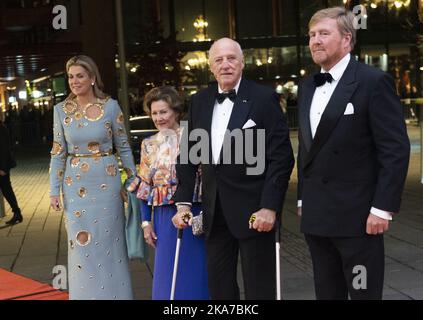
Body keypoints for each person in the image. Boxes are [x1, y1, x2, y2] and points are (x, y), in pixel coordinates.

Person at [297, 7, 410, 300]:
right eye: (311, 35)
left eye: (324, 33)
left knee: (362, 294)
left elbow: (394, 150)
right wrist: (302, 197)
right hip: (317, 218)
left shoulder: (373, 82)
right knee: (327, 293)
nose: (315, 41)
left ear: (347, 39)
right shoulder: (307, 86)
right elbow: (307, 147)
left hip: (359, 219)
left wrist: (382, 208)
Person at [173, 38, 295, 300]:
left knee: (259, 286)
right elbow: (188, 156)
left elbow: (281, 158)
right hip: (214, 212)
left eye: (231, 58)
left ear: (242, 63)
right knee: (219, 287)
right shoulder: (201, 101)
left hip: (255, 211)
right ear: (210, 66)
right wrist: (183, 202)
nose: (225, 64)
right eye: (219, 60)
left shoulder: (263, 98)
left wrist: (269, 206)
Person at [49, 55, 136, 300]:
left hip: (108, 185)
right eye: (71, 77)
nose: (74, 81)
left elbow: (124, 146)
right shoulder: (60, 111)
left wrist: (133, 179)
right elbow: (57, 152)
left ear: (92, 78)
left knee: (111, 246)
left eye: (80, 76)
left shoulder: (111, 106)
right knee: (81, 247)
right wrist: (53, 190)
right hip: (75, 187)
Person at [128, 86, 209, 300]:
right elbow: (144, 187)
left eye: (163, 112)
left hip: (194, 215)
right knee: (166, 277)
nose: (158, 118)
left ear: (175, 111)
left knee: (196, 275)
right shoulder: (148, 145)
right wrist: (146, 223)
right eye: (154, 113)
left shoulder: (194, 138)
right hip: (164, 220)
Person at [0, 122, 22, 225]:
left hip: (1, 166)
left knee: (7, 190)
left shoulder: (1, 128)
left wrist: (3, 168)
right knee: (6, 190)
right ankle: (17, 213)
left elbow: (4, 149)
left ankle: (17, 212)